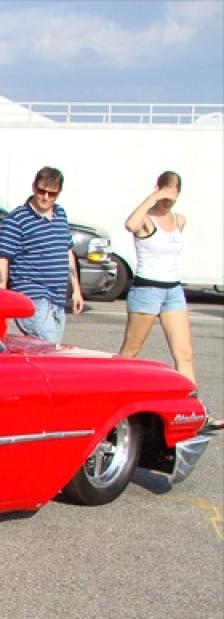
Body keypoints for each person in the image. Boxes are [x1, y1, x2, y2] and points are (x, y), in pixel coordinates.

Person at [119, 171, 222, 431]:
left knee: (184, 354)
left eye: (173, 194)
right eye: (165, 193)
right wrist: (152, 197)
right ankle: (114, 404)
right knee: (131, 352)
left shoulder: (179, 220)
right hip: (147, 290)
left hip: (173, 291)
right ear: (158, 189)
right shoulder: (146, 219)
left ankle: (196, 412)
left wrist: (166, 198)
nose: (168, 200)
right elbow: (130, 224)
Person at [0, 166, 84, 343]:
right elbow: (2, 260)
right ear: (34, 187)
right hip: (33, 297)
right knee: (49, 346)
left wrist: (76, 290)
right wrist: (0, 300)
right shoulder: (16, 219)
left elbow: (67, 252)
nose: (45, 197)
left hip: (57, 298)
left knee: (49, 351)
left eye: (52, 194)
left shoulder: (60, 214)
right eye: (42, 191)